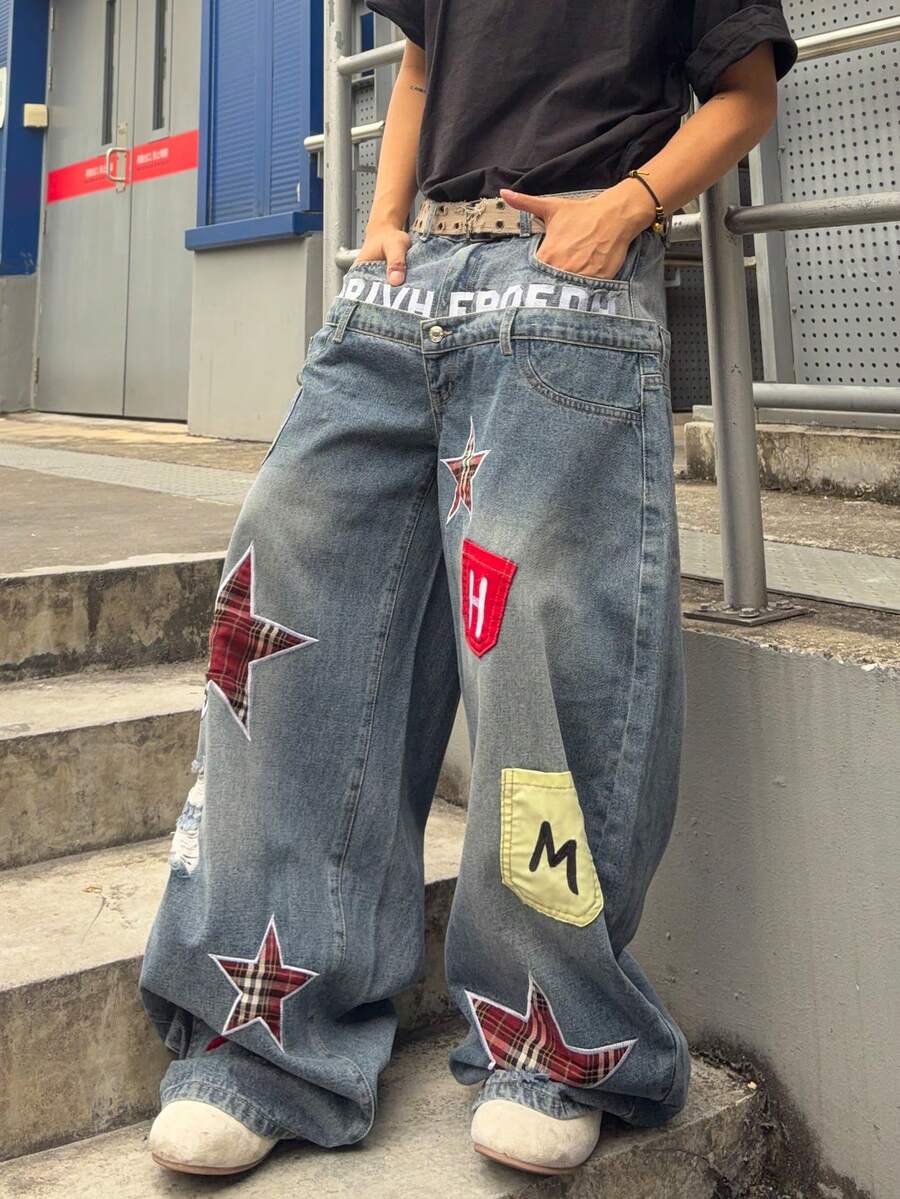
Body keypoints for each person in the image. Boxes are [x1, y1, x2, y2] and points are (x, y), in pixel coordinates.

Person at [139, 0, 797, 1179]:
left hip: (571, 269)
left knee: (542, 634)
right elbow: (418, 71)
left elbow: (746, 95)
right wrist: (381, 221)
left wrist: (629, 206)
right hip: (410, 277)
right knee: (285, 563)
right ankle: (263, 1035)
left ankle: (553, 1042)